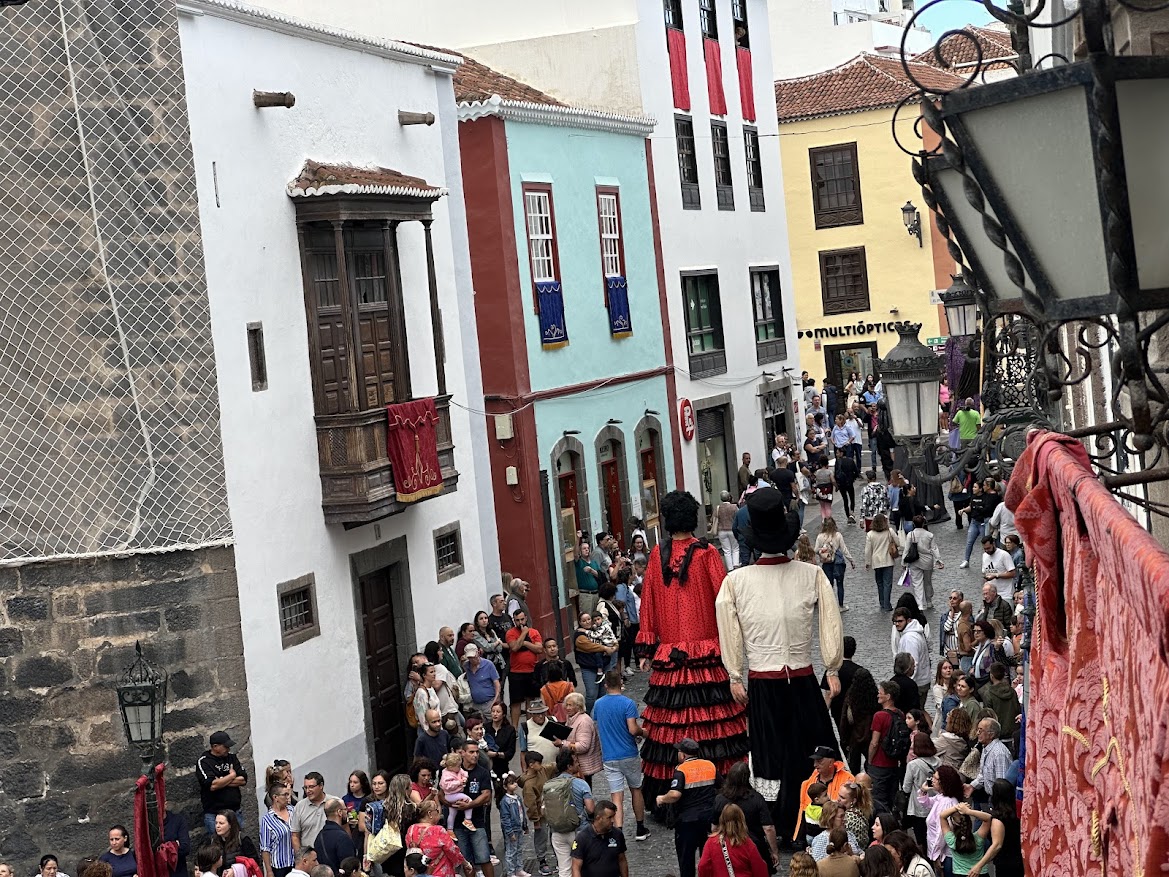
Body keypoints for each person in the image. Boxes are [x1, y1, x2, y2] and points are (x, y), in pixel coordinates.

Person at [716, 488, 843, 835]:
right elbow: (831, 620)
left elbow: (728, 629)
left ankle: (779, 825)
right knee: (812, 751)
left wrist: (735, 674)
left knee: (770, 757)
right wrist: (832, 668)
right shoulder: (812, 574)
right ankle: (817, 823)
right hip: (801, 680)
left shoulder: (735, 582)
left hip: (762, 682)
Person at [635, 491, 749, 805]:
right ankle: (720, 788)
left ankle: (673, 790)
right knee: (715, 720)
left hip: (671, 655)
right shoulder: (708, 553)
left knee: (672, 722)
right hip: (708, 653)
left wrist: (646, 647)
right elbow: (725, 600)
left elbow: (649, 604)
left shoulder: (658, 555)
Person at [592, 671, 649, 839]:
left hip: (609, 755)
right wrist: (643, 732)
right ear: (621, 683)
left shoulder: (598, 704)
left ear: (605, 685)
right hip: (629, 753)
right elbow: (633, 729)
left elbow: (596, 726)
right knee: (636, 789)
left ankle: (618, 830)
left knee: (616, 795)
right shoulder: (628, 703)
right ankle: (640, 828)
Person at [655, 738, 718, 877]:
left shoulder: (681, 769)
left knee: (686, 860)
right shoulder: (710, 765)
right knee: (708, 858)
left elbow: (675, 794)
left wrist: (662, 798)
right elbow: (721, 788)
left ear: (683, 755)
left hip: (687, 822)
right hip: (708, 818)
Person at [439, 741, 494, 877]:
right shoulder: (450, 770)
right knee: (466, 861)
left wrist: (469, 805)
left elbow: (486, 795)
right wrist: (449, 804)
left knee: (484, 858)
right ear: (462, 753)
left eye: (477, 752)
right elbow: (441, 792)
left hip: (476, 822)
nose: (475, 755)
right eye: (471, 752)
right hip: (456, 825)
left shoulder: (482, 772)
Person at [713, 762, 779, 871]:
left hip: (727, 847)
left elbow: (714, 827)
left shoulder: (720, 799)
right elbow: (768, 828)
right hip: (754, 845)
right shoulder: (757, 799)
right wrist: (774, 851)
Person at [546, 749, 595, 877]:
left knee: (564, 869)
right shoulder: (580, 783)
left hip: (557, 832)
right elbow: (590, 809)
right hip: (579, 831)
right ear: (569, 766)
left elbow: (543, 809)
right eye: (576, 762)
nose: (578, 764)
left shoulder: (549, 785)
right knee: (584, 866)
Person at [959, 780, 1022, 877]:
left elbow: (997, 845)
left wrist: (979, 865)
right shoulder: (1018, 811)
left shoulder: (998, 819)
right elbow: (988, 816)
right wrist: (969, 811)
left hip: (1006, 864)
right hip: (1020, 860)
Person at [794, 746, 854, 844]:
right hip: (812, 835)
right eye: (814, 761)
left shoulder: (847, 779)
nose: (815, 765)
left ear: (831, 762)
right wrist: (799, 837)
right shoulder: (810, 780)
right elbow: (803, 809)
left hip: (837, 836)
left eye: (819, 761)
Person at [697, 804, 769, 877]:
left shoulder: (711, 842)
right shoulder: (747, 843)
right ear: (741, 821)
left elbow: (703, 866)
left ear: (722, 820)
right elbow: (759, 868)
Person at [867, 681, 907, 814]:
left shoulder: (879, 716)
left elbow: (874, 742)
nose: (878, 694)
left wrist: (870, 760)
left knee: (878, 800)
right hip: (894, 764)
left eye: (881, 692)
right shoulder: (900, 714)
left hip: (879, 765)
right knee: (891, 798)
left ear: (888, 696)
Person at [198, 731, 248, 834]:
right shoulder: (204, 761)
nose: (228, 749)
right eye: (225, 746)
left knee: (239, 843)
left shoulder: (232, 758)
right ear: (215, 746)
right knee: (217, 846)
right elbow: (212, 785)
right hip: (214, 815)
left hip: (234, 812)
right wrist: (231, 776)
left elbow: (243, 780)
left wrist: (221, 781)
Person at [404, 800, 471, 877]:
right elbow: (453, 851)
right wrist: (465, 864)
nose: (439, 813)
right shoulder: (438, 830)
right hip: (439, 872)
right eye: (437, 810)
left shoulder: (411, 829)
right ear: (430, 814)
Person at [915, 766, 962, 870]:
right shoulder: (942, 797)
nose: (932, 780)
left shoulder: (947, 802)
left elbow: (941, 833)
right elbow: (927, 803)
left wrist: (935, 855)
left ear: (943, 782)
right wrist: (923, 790)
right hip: (940, 852)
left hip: (945, 855)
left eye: (936, 778)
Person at [901, 735, 940, 850]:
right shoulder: (938, 761)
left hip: (918, 807)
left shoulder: (913, 765)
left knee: (921, 837)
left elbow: (906, 788)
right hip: (935, 804)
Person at [506, 610, 545, 728]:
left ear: (526, 618)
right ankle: (515, 729)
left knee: (531, 700)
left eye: (522, 619)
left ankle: (529, 727)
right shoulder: (510, 633)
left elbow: (539, 649)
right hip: (516, 672)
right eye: (517, 620)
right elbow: (515, 647)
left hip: (532, 671)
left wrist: (526, 644)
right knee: (516, 702)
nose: (520, 622)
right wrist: (524, 634)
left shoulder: (534, 632)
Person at [839, 668, 879, 776]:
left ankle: (855, 788)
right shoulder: (874, 695)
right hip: (870, 735)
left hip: (854, 736)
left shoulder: (851, 696)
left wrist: (844, 739)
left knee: (853, 767)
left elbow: (844, 719)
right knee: (872, 764)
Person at [570, 800, 626, 877]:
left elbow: (622, 860)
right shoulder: (582, 838)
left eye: (614, 816)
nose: (613, 820)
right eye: (609, 817)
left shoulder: (617, 834)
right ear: (598, 818)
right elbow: (576, 867)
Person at [557, 692, 603, 786]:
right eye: (567, 705)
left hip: (583, 765)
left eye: (571, 705)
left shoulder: (583, 722)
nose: (568, 708)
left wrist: (562, 744)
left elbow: (583, 746)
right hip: (578, 764)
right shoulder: (572, 718)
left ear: (579, 706)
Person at [821, 636, 861, 742]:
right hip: (855, 711)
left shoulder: (832, 671)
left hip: (838, 709)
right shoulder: (859, 671)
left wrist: (824, 714)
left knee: (843, 736)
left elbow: (828, 695)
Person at [892, 609, 931, 707]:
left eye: (900, 621)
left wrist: (908, 685)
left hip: (917, 684)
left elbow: (913, 663)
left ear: (908, 620)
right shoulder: (913, 633)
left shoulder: (910, 639)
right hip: (921, 681)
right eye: (895, 621)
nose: (897, 624)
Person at [901, 515, 941, 611]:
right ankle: (929, 601)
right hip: (927, 561)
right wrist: (938, 560)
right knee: (928, 582)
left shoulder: (910, 535)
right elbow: (934, 548)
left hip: (915, 561)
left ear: (913, 524)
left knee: (916, 583)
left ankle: (920, 604)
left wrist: (903, 562)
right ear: (923, 523)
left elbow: (906, 550)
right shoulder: (929, 535)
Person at [816, 516, 855, 612]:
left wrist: (823, 551)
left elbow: (816, 550)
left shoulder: (820, 537)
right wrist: (851, 560)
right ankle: (841, 605)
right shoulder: (838, 535)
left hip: (827, 563)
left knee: (828, 585)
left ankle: (829, 605)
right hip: (838, 563)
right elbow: (844, 549)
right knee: (840, 584)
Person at [939, 808, 989, 877]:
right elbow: (988, 818)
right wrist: (968, 811)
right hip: (980, 873)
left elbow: (942, 816)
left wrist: (957, 807)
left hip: (959, 874)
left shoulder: (951, 840)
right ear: (969, 823)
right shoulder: (978, 838)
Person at [261, 783, 296, 877]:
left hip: (296, 863)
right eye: (285, 794)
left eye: (288, 794)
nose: (288, 797)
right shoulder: (267, 819)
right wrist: (269, 871)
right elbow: (265, 848)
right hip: (280, 867)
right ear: (275, 797)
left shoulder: (293, 811)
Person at [864, 514, 898, 612]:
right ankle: (887, 604)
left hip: (876, 561)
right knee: (887, 583)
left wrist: (867, 562)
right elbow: (898, 542)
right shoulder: (889, 532)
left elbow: (867, 550)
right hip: (888, 561)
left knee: (880, 583)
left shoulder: (870, 534)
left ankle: (882, 602)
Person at [313, 799, 358, 872]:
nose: (347, 812)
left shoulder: (319, 836)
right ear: (339, 812)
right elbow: (350, 869)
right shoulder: (343, 838)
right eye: (345, 809)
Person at [497, 773, 527, 877]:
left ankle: (519, 869)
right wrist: (510, 832)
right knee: (510, 851)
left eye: (515, 782)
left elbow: (522, 812)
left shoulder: (517, 797)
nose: (515, 784)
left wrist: (525, 825)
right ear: (505, 787)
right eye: (511, 783)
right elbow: (505, 818)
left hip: (519, 827)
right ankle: (511, 872)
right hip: (512, 829)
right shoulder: (505, 801)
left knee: (519, 849)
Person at [291, 772, 328, 853]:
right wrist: (301, 856)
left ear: (321, 786)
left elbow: (344, 829)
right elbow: (295, 836)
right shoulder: (300, 806)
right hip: (310, 858)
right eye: (305, 787)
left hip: (331, 855)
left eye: (311, 787)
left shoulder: (334, 802)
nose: (308, 791)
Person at [519, 699, 558, 772]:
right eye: (537, 714)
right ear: (532, 714)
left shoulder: (553, 721)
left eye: (542, 713)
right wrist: (524, 770)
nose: (540, 716)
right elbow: (523, 752)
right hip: (537, 770)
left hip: (555, 767)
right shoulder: (525, 727)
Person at [485, 702, 518, 785]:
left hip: (501, 768)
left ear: (503, 714)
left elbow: (510, 753)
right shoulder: (485, 728)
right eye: (493, 711)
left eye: (498, 712)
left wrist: (496, 754)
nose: (495, 714)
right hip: (486, 766)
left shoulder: (510, 730)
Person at [711, 490, 739, 571]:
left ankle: (730, 568)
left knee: (726, 550)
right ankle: (736, 565)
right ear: (729, 497)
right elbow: (737, 516)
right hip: (732, 530)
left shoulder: (718, 508)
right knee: (735, 548)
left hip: (721, 530)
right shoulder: (734, 507)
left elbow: (713, 518)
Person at [575, 542, 604, 618]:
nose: (587, 550)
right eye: (584, 549)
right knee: (587, 617)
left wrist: (591, 571)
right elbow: (575, 554)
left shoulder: (594, 563)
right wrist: (578, 539)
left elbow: (600, 576)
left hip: (596, 593)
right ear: (580, 551)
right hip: (586, 595)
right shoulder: (579, 562)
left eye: (588, 548)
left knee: (597, 616)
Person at [834, 446, 860, 525]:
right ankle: (852, 513)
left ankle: (848, 515)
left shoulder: (838, 462)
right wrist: (853, 478)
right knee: (852, 498)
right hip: (849, 482)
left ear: (841, 453)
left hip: (842, 484)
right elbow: (856, 472)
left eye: (837, 452)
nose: (836, 454)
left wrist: (837, 484)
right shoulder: (850, 461)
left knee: (845, 500)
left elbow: (836, 473)